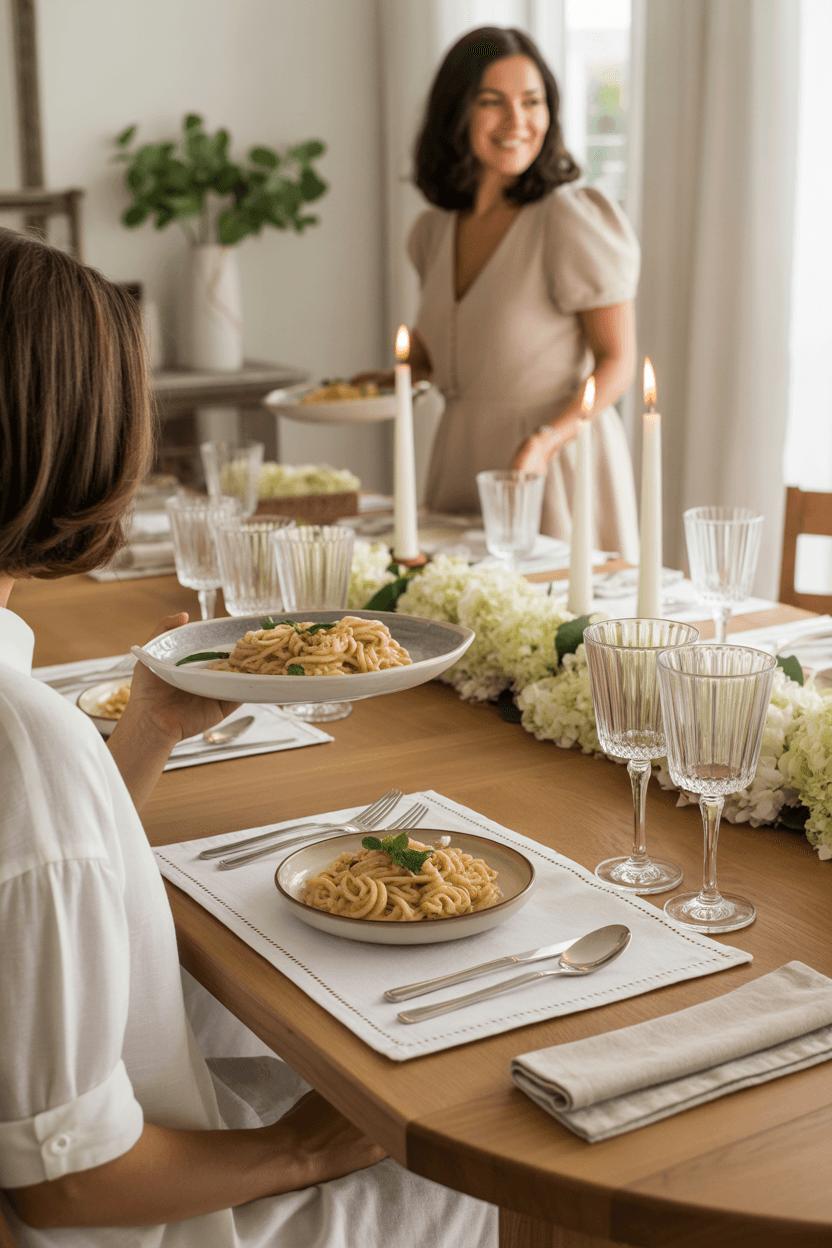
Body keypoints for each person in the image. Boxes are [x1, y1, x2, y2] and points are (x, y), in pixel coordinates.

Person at [0, 227, 496, 1247]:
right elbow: (72, 1188)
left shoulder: (34, 746)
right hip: (156, 1220)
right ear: (80, 436)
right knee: (505, 1155)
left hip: (118, 1135)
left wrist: (147, 730)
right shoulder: (25, 744)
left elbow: (35, 881)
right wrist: (310, 1151)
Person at [357, 27, 640, 559]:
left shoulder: (571, 219)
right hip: (460, 457)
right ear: (456, 114)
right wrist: (396, 374)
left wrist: (547, 440)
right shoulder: (433, 232)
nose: (518, 121)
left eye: (532, 102)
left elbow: (617, 361)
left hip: (550, 465)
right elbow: (447, 350)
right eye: (493, 102)